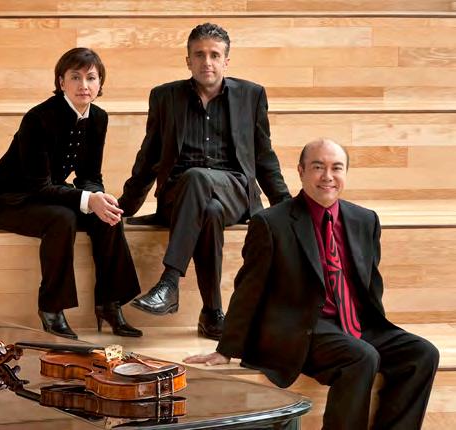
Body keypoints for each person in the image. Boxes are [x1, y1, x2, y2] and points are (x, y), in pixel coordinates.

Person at [185, 138, 439, 429]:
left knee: (423, 354)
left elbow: (371, 285)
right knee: (362, 357)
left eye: (336, 168)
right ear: (301, 171)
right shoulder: (271, 223)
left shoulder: (365, 220)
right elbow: (249, 288)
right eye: (318, 167)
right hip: (303, 328)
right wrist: (227, 347)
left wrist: (376, 330)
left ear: (345, 173)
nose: (327, 176)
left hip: (354, 324)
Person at [118, 22, 290, 339]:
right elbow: (149, 155)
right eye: (199, 55)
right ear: (188, 61)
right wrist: (124, 207)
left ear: (226, 61)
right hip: (179, 197)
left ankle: (169, 282)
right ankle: (212, 314)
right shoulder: (165, 96)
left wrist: (286, 206)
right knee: (208, 209)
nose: (206, 62)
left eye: (214, 55)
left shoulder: (251, 95)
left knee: (198, 178)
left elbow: (264, 156)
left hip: (234, 191)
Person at [0, 47, 142, 340]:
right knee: (61, 218)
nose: (84, 85)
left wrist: (98, 198)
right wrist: (87, 200)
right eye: (75, 77)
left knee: (108, 215)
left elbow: (89, 175)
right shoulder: (38, 118)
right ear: (61, 82)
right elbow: (38, 185)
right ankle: (51, 308)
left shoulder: (99, 118)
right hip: (7, 199)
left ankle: (110, 303)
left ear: (100, 83)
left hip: (46, 192)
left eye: (91, 78)